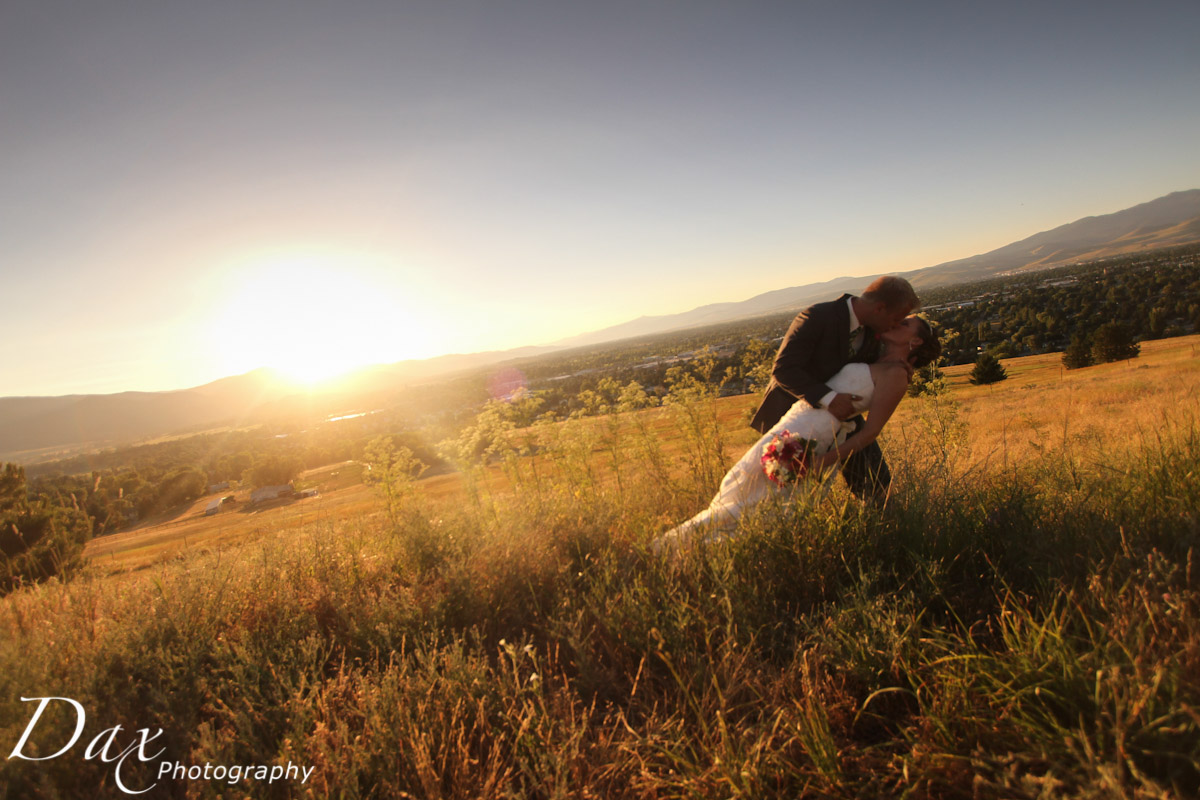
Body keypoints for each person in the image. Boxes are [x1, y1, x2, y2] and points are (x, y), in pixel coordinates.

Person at [654, 314, 940, 552]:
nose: (894, 322)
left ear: (915, 341)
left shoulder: (897, 376)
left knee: (762, 502)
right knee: (743, 484)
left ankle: (682, 548)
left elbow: (869, 434)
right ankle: (689, 546)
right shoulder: (878, 359)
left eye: (904, 324)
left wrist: (822, 461)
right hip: (793, 422)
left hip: (813, 440)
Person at [750, 276, 921, 503]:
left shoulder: (874, 330)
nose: (896, 325)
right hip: (794, 418)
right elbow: (783, 370)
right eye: (896, 318)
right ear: (880, 308)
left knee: (875, 480)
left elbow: (863, 371)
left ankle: (882, 524)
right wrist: (829, 399)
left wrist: (899, 367)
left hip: (844, 416)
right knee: (785, 491)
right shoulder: (818, 316)